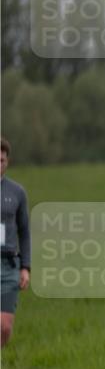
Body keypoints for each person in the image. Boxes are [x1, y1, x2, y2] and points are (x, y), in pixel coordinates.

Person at [1, 138, 30, 348]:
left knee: (5, 327)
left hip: (9, 265)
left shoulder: (17, 192)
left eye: (1, 160)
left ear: (7, 162)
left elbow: (24, 231)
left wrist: (25, 267)